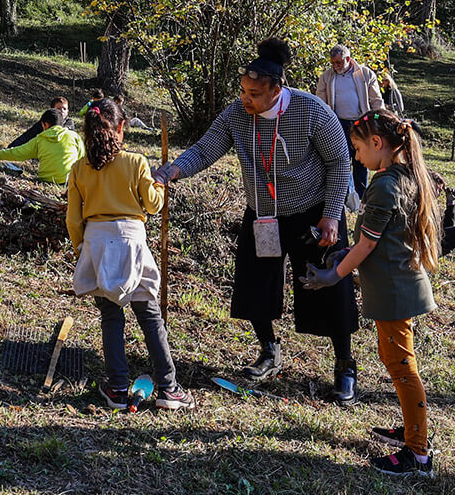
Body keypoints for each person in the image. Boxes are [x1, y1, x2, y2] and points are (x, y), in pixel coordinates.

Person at [153, 38, 361, 405]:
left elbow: (340, 162)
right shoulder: (237, 114)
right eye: (243, 91)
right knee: (254, 284)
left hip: (315, 211)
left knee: (330, 287)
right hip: (264, 213)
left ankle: (344, 365)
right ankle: (269, 350)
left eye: (254, 93)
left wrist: (331, 215)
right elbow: (206, 148)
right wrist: (173, 170)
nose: (245, 99)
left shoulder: (312, 111)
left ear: (276, 89)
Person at [301, 109, 438, 476]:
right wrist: (346, 255)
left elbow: (365, 246)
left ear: (377, 144)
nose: (356, 157)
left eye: (358, 149)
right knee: (395, 361)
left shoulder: (384, 184)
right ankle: (412, 429)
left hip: (394, 290)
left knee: (401, 366)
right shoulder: (401, 175)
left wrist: (334, 275)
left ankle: (418, 453)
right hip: (397, 285)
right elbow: (377, 238)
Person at [66, 98, 194, 410]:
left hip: (96, 243)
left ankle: (118, 388)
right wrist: (160, 182)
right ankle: (169, 388)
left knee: (110, 317)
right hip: (131, 243)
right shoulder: (135, 162)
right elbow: (152, 205)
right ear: (121, 128)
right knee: (150, 316)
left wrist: (81, 248)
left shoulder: (78, 169)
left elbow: (72, 218)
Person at [315, 44, 384, 198]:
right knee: (342, 160)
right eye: (333, 63)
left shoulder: (365, 74)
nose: (335, 66)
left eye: (338, 62)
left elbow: (377, 101)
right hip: (338, 124)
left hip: (362, 123)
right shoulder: (326, 77)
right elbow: (320, 102)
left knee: (361, 160)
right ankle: (347, 196)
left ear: (348, 59)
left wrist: (378, 120)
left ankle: (361, 196)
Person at [0, 108, 85, 184]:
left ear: (46, 124)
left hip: (46, 180)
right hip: (70, 181)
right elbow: (82, 158)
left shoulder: (40, 139)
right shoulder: (74, 136)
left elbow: (18, 152)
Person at [7, 97, 75, 148]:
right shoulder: (45, 122)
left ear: (68, 112)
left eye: (64, 109)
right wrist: (10, 148)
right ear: (52, 110)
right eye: (58, 109)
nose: (62, 111)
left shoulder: (69, 123)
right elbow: (28, 135)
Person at [428, 170, 455, 257]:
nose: (438, 195)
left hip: (429, 239)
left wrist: (450, 204)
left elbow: (446, 227)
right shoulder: (418, 202)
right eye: (438, 190)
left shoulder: (431, 204)